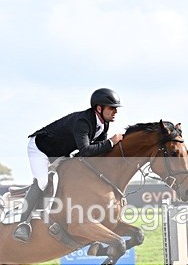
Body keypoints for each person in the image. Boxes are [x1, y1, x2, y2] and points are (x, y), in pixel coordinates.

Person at [13, 88, 124, 242]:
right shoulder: (83, 121)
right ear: (99, 108)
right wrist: (111, 142)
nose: (115, 112)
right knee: (43, 181)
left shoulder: (104, 124)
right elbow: (86, 150)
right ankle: (23, 223)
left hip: (61, 152)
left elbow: (98, 150)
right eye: (112, 108)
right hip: (41, 150)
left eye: (116, 108)